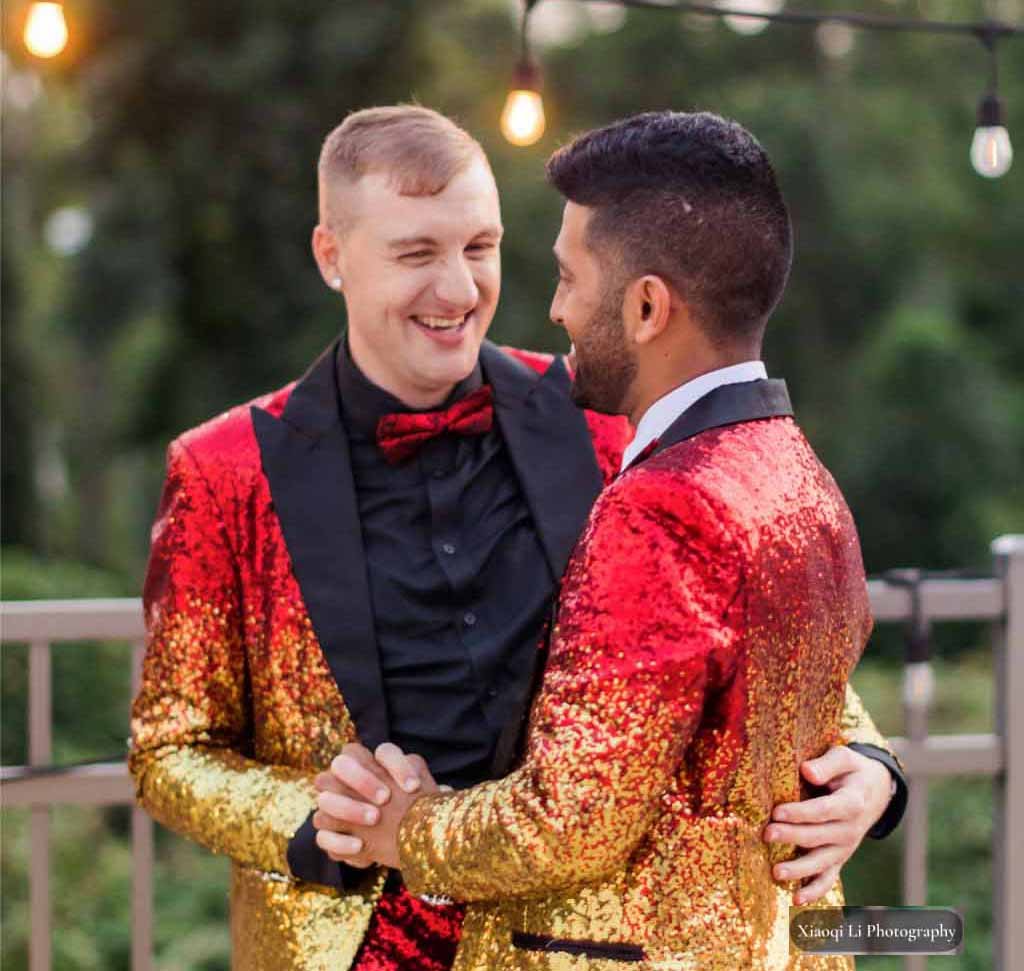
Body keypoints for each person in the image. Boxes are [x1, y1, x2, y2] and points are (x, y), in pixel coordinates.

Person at [130, 106, 905, 971]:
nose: (459, 291)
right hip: (352, 943)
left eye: (481, 247)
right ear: (330, 257)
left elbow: (745, 629)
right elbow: (168, 748)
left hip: (572, 938)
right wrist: (317, 820)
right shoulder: (221, 469)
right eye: (417, 253)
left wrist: (872, 768)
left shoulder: (610, 416)